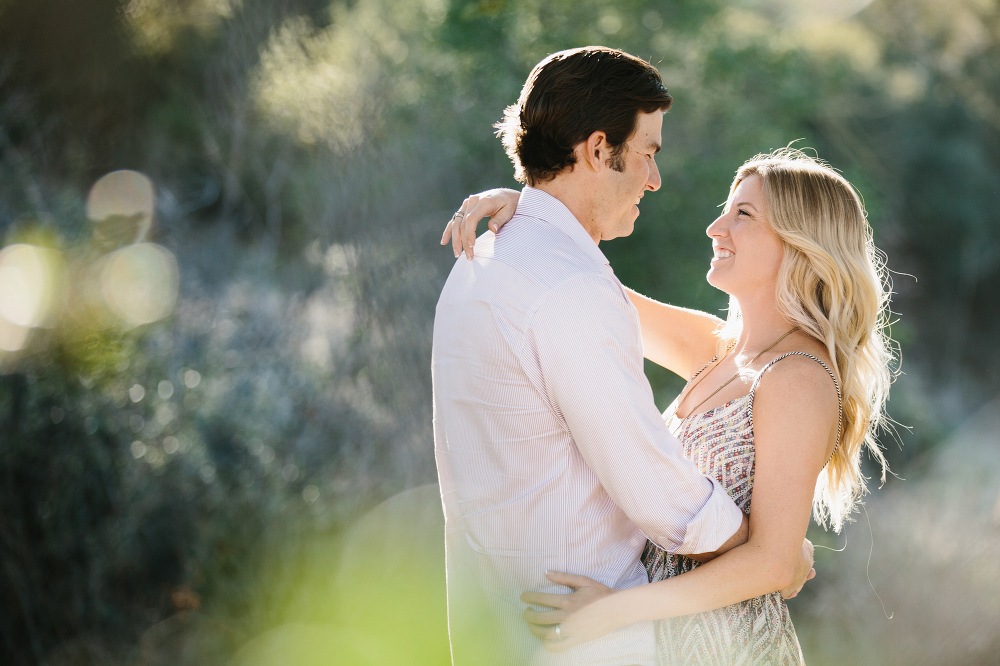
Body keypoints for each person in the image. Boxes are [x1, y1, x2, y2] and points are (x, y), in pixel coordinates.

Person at [432, 46, 815, 666]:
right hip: (581, 636)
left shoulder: (484, 262)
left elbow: (726, 355)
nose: (655, 179)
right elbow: (649, 480)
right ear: (596, 149)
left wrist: (526, 206)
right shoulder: (567, 286)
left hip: (494, 627)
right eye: (648, 154)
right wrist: (770, 552)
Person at [445, 147, 894, 665]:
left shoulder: (797, 378)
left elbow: (771, 564)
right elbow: (585, 287)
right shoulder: (719, 348)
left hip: (727, 646)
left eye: (742, 215)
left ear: (801, 242)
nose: (715, 227)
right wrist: (530, 214)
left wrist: (612, 610)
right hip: (663, 638)